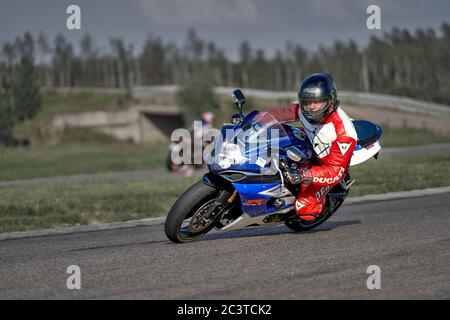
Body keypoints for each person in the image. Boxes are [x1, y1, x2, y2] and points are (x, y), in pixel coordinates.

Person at [264, 73, 357, 222]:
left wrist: (303, 174)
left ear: (330, 100)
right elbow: (278, 115)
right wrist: (253, 119)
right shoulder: (303, 109)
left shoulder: (344, 133)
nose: (311, 107)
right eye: (307, 102)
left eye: (317, 102)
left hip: (328, 164)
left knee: (305, 208)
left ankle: (321, 203)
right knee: (273, 135)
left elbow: (335, 171)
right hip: (310, 145)